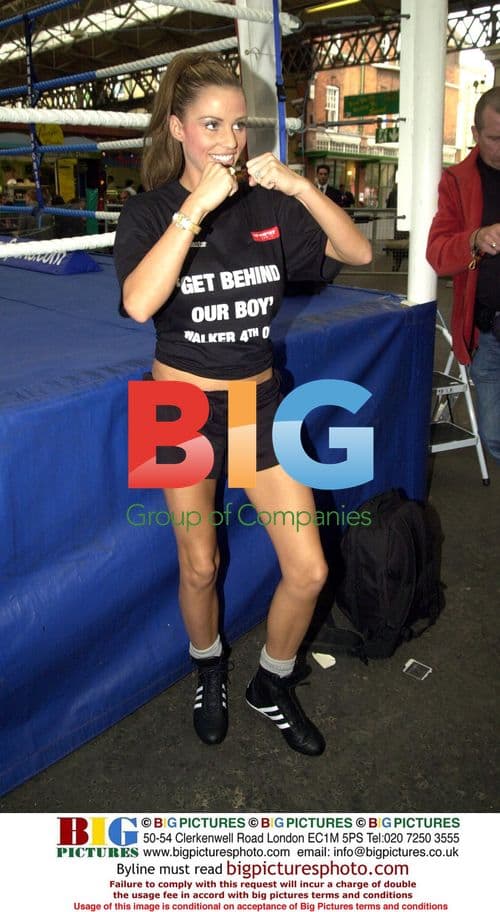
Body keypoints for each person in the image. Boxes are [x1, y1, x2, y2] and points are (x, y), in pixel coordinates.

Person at [114, 52, 372, 756]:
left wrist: (299, 185)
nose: (228, 139)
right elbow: (139, 304)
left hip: (260, 404)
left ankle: (272, 681)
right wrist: (193, 211)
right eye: (210, 124)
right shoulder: (150, 212)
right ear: (177, 129)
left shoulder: (269, 206)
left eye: (238, 124)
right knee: (199, 565)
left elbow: (355, 250)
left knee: (310, 568)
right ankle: (208, 670)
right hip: (175, 411)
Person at [427, 86, 500, 464]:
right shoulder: (456, 181)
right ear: (475, 134)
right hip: (488, 334)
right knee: (494, 435)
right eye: (495, 138)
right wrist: (474, 239)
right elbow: (437, 254)